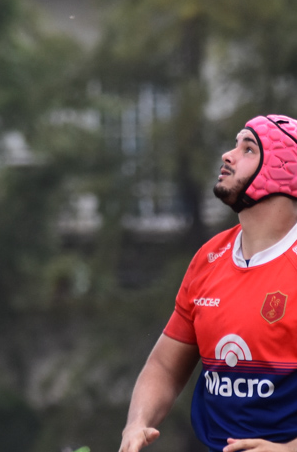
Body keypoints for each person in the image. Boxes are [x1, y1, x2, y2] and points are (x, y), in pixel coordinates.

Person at [119, 115, 297, 452]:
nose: (227, 156)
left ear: (285, 169)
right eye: (234, 145)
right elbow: (164, 366)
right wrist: (137, 424)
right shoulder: (208, 258)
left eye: (248, 148)